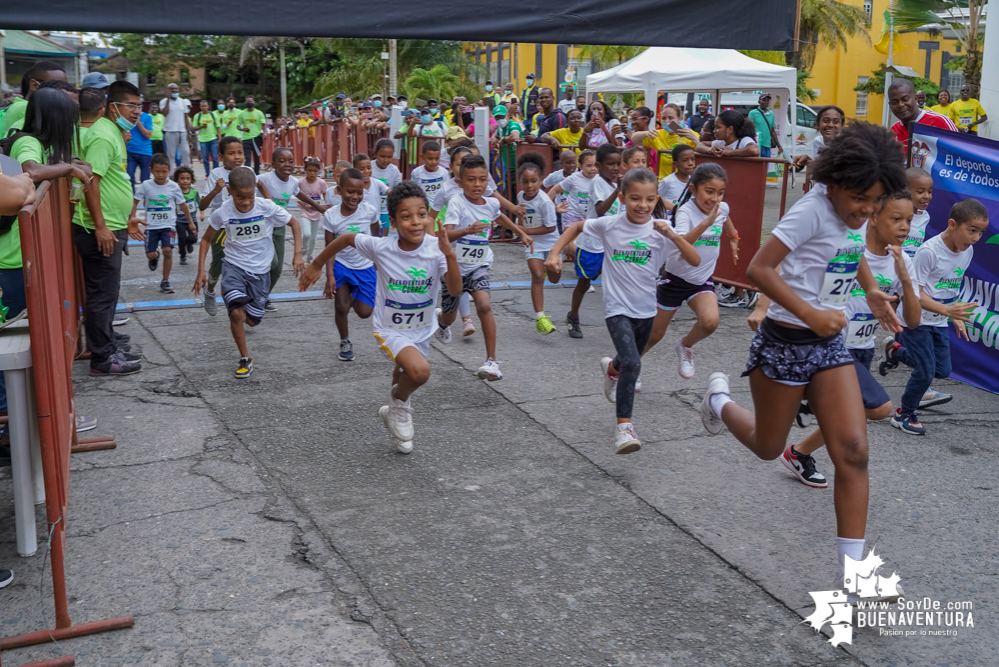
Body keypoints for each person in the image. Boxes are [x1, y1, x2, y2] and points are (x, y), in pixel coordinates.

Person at [699, 122, 908, 588]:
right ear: (833, 184)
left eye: (875, 203)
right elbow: (759, 267)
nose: (867, 211)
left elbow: (849, 251)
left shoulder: (853, 217)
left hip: (829, 347)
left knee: (853, 452)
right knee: (768, 447)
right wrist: (811, 313)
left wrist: (871, 290)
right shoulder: (810, 212)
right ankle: (716, 400)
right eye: (859, 200)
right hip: (785, 344)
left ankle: (851, 574)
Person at [545, 168, 700, 454]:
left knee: (626, 362)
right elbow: (576, 227)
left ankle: (610, 367)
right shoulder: (611, 224)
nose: (642, 205)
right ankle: (624, 429)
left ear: (657, 200)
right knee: (634, 363)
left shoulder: (660, 232)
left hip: (646, 310)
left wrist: (674, 235)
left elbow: (693, 258)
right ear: (623, 197)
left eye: (650, 199)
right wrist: (555, 252)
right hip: (616, 308)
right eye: (635, 199)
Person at [299, 181, 461, 453]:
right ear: (394, 222)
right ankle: (399, 405)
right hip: (391, 329)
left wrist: (450, 256)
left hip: (422, 328)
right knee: (419, 372)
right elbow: (347, 238)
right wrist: (316, 264)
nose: (416, 222)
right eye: (406, 216)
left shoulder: (436, 248)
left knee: (402, 372)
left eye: (421, 214)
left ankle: (392, 413)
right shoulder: (382, 247)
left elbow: (455, 289)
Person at [777, 189, 921, 487]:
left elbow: (914, 320)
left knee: (857, 418)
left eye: (909, 219)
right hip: (831, 346)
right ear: (873, 218)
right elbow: (813, 288)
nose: (905, 227)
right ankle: (806, 397)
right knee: (876, 411)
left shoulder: (902, 261)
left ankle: (799, 450)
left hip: (862, 349)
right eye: (896, 219)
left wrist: (905, 279)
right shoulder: (850, 249)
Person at [0, 89, 93, 427]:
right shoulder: (29, 143)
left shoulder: (35, 142)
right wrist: (66, 166)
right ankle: (13, 426)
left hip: (15, 259)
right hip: (10, 260)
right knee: (11, 348)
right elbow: (30, 171)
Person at [880, 198, 986, 434]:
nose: (976, 238)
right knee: (926, 370)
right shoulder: (929, 251)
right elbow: (914, 294)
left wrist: (954, 313)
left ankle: (895, 352)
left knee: (941, 370)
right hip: (916, 318)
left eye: (980, 232)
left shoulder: (967, 251)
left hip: (938, 319)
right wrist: (948, 311)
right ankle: (903, 413)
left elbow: (950, 286)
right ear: (952, 224)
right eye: (972, 230)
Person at [194, 166, 303, 377]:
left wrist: (298, 253)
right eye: (240, 197)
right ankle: (245, 358)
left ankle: (243, 317)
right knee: (235, 313)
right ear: (230, 193)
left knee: (252, 320)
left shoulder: (266, 207)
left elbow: (295, 223)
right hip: (233, 267)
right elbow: (206, 239)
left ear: (255, 190)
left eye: (250, 196)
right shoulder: (223, 211)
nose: (245, 202)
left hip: (261, 272)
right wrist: (201, 270)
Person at [434, 154, 533, 379]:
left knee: (484, 305)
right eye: (471, 180)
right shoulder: (457, 202)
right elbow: (445, 235)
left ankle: (492, 362)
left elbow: (499, 217)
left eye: (482, 180)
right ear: (460, 182)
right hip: (453, 269)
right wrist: (467, 230)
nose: (477, 185)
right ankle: (441, 321)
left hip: (478, 265)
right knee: (449, 318)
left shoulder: (492, 203)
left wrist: (521, 233)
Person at [643, 162, 740, 380]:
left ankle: (686, 346)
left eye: (720, 193)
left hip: (701, 280)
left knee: (710, 322)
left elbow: (726, 219)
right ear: (694, 189)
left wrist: (733, 238)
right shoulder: (686, 212)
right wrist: (706, 223)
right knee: (654, 335)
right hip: (675, 280)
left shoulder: (721, 209)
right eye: (709, 191)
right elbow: (684, 243)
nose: (715, 198)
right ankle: (628, 367)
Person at [75, 81, 146, 375]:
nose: (136, 112)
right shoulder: (104, 136)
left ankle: (107, 345)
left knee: (108, 292)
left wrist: (124, 218)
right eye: (131, 105)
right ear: (112, 106)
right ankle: (102, 357)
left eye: (140, 106)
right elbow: (90, 182)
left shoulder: (112, 133)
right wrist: (102, 227)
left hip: (112, 225)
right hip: (98, 229)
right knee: (102, 295)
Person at [199, 136, 265, 316]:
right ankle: (210, 289)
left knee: (256, 259)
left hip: (245, 223)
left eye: (240, 152)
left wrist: (269, 204)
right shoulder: (216, 174)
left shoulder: (247, 172)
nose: (237, 157)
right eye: (231, 153)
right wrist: (215, 190)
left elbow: (260, 189)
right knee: (219, 263)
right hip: (222, 227)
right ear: (221, 156)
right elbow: (202, 206)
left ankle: (255, 293)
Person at [318, 168, 380, 361]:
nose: (355, 196)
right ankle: (345, 340)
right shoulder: (332, 216)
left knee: (364, 312)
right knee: (342, 307)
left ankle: (353, 292)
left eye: (359, 192)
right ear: (339, 190)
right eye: (350, 192)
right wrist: (329, 276)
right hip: (341, 265)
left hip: (365, 266)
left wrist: (379, 262)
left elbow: (377, 237)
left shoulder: (369, 211)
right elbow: (329, 249)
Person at [256, 146, 327, 307]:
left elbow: (298, 193)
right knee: (270, 263)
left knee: (278, 268)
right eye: (282, 161)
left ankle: (263, 297)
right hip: (262, 227)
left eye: (290, 161)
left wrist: (319, 207)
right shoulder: (265, 178)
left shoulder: (293, 182)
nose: (287, 164)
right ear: (273, 164)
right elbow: (251, 181)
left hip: (279, 227)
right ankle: (256, 294)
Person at [547, 150, 598, 338]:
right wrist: (550, 207)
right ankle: (582, 270)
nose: (592, 169)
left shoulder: (601, 181)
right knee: (575, 249)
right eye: (588, 165)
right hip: (571, 221)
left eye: (595, 165)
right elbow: (554, 190)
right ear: (580, 166)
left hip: (591, 223)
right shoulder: (574, 179)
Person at [516, 153, 567, 335]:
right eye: (525, 181)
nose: (530, 186)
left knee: (554, 278)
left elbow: (551, 227)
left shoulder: (545, 200)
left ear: (541, 181)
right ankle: (540, 318)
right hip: (533, 244)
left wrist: (525, 230)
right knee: (537, 276)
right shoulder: (521, 196)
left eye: (534, 181)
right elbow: (522, 217)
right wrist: (521, 228)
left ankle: (548, 267)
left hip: (551, 242)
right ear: (520, 182)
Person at [130, 153, 194, 294]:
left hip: (168, 225)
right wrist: (132, 218)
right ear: (151, 170)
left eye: (164, 171)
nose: (160, 175)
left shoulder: (174, 187)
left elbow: (182, 205)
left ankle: (165, 280)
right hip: (151, 226)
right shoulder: (146, 185)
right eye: (157, 171)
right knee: (150, 254)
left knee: (168, 251)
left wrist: (191, 222)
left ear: (169, 170)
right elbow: (135, 201)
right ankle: (155, 257)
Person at [2, 60, 68, 137]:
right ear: (34, 85)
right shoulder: (26, 108)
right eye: (56, 86)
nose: (64, 91)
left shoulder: (17, 105)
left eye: (66, 86)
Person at [632, 104, 699, 178]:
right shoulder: (658, 134)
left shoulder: (690, 134)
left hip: (683, 180)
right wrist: (646, 133)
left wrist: (694, 138)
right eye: (663, 118)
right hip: (662, 181)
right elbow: (634, 139)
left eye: (671, 118)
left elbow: (701, 152)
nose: (667, 121)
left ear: (679, 118)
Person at [887, 79, 957, 145]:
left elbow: (962, 151)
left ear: (916, 98)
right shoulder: (894, 131)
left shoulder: (940, 122)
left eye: (905, 99)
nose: (900, 105)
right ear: (890, 105)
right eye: (894, 102)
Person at [298, 156, 329, 263]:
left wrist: (327, 207)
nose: (312, 173)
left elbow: (326, 197)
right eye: (309, 170)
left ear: (318, 171)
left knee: (313, 238)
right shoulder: (300, 183)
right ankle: (304, 250)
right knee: (306, 234)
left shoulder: (321, 183)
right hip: (304, 212)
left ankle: (310, 255)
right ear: (305, 170)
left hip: (316, 213)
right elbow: (295, 194)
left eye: (315, 171)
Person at [371, 139, 402, 236]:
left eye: (389, 157)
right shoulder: (368, 167)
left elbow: (398, 190)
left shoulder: (394, 171)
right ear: (375, 154)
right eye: (382, 156)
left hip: (385, 211)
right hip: (370, 210)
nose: (386, 160)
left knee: (383, 239)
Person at [543, 149, 577, 233]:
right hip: (559, 210)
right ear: (561, 164)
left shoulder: (579, 175)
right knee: (560, 233)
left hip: (575, 211)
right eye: (568, 163)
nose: (572, 165)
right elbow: (542, 185)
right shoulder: (555, 176)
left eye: (574, 162)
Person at [159, 83, 193, 168]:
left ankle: (187, 171)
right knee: (171, 154)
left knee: (186, 152)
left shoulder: (182, 101)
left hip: (183, 131)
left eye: (176, 89)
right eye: (172, 89)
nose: (174, 91)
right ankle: (171, 174)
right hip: (170, 131)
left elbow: (186, 118)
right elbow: (164, 113)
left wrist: (188, 132)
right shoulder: (163, 101)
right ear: (168, 91)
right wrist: (168, 100)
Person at [408, 141, 447, 214]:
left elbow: (447, 192)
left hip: (440, 209)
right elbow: (412, 191)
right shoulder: (416, 173)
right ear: (422, 157)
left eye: (437, 158)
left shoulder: (444, 173)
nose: (433, 162)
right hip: (422, 209)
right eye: (430, 158)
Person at [172, 165, 200, 265]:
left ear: (191, 179)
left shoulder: (194, 192)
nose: (185, 181)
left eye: (188, 178)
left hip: (192, 220)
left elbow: (200, 202)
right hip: (179, 221)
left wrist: (201, 213)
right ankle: (182, 256)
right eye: (182, 178)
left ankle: (189, 243)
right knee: (181, 238)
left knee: (194, 238)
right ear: (177, 179)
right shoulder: (175, 192)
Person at [126, 101, 154, 189]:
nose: (136, 109)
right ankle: (132, 201)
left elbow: (148, 135)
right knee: (129, 178)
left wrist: (138, 123)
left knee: (145, 181)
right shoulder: (127, 117)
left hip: (145, 153)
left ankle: (146, 201)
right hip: (130, 152)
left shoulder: (147, 117)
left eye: (138, 107)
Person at [658, 144, 696, 208]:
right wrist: (674, 208)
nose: (690, 163)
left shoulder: (695, 181)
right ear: (675, 164)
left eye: (692, 159)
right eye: (685, 160)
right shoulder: (667, 181)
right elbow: (656, 198)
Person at [747, 93, 784, 158]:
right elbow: (749, 129)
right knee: (757, 166)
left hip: (767, 145)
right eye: (764, 100)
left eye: (767, 100)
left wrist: (779, 146)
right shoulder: (753, 113)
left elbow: (772, 131)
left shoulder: (771, 114)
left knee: (766, 166)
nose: (766, 102)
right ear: (759, 102)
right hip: (757, 144)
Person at [238, 96, 266, 174]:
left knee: (257, 157)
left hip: (257, 137)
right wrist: (244, 129)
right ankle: (247, 173)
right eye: (247, 102)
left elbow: (263, 124)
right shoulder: (242, 114)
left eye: (250, 101)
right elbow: (238, 126)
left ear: (254, 102)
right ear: (245, 103)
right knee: (248, 157)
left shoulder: (259, 113)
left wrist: (265, 133)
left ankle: (257, 173)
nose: (249, 103)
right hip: (246, 138)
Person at [193, 99, 221, 177]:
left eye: (205, 106)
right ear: (200, 107)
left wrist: (219, 138)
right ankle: (207, 174)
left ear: (208, 106)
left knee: (215, 158)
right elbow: (194, 128)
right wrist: (201, 126)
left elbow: (218, 127)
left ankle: (216, 174)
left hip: (212, 139)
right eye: (202, 106)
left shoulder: (213, 115)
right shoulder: (198, 116)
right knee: (205, 159)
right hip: (203, 140)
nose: (204, 107)